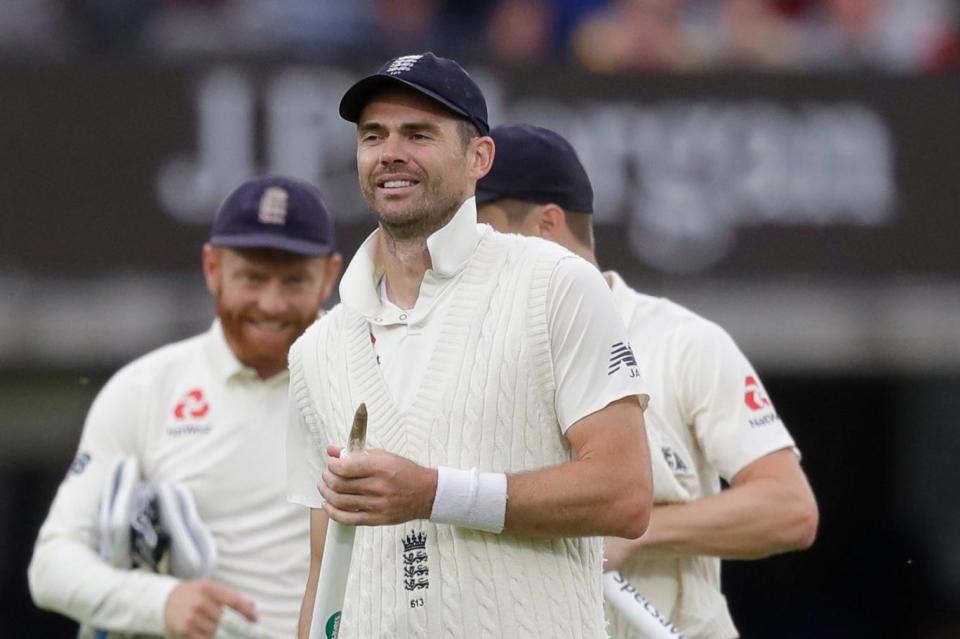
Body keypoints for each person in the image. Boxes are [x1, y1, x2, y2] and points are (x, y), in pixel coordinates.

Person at [285, 52, 654, 639]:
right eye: (373, 136)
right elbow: (322, 569)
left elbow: (625, 494)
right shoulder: (316, 350)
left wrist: (435, 493)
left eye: (419, 134)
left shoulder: (555, 284)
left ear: (479, 158)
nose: (391, 153)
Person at [474, 123, 819, 638]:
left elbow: (790, 509)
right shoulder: (474, 363)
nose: (471, 255)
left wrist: (642, 529)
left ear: (547, 224)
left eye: (485, 231)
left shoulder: (682, 342)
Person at [29, 176, 343, 639]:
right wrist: (159, 601)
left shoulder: (365, 381)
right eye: (252, 278)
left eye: (294, 281)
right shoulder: (144, 390)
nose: (272, 304)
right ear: (212, 268)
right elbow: (52, 565)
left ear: (329, 276)